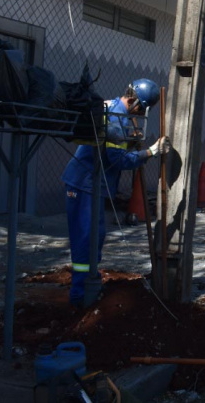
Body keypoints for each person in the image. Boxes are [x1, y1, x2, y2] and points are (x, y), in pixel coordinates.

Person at [61, 79, 170, 307]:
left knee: (94, 236)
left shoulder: (115, 109)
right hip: (85, 184)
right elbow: (117, 159)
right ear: (133, 101)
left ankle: (89, 283)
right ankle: (80, 296)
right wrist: (150, 152)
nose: (140, 114)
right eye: (141, 109)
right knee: (86, 239)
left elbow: (113, 148)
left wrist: (131, 143)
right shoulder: (116, 118)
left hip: (91, 183)